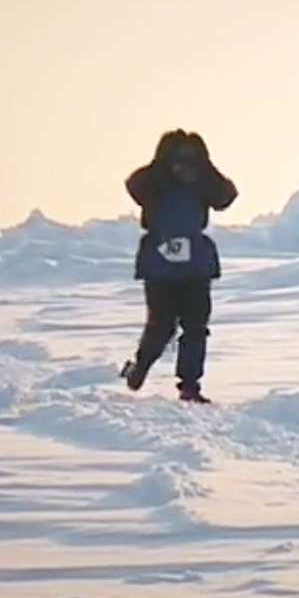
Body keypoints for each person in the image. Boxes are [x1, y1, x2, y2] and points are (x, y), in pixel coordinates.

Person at [119, 129, 239, 404]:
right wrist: (165, 168)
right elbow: (135, 185)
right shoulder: (155, 183)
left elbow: (226, 196)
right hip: (161, 262)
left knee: (195, 325)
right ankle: (141, 367)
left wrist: (205, 170)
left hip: (194, 263)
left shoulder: (202, 183)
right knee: (162, 326)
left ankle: (190, 386)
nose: (185, 167)